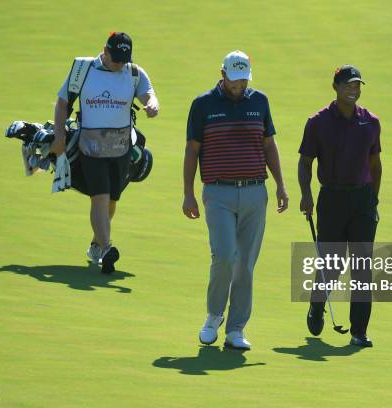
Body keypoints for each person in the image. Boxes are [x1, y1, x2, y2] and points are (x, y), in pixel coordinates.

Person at [183, 50, 288, 350]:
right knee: (225, 256)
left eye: (244, 79)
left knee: (245, 264)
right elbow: (192, 150)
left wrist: (281, 185)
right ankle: (213, 316)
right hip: (218, 192)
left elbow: (269, 144)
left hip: (256, 191)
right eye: (234, 79)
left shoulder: (259, 102)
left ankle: (236, 329)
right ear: (222, 74)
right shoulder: (203, 105)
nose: (239, 85)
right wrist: (188, 193)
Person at [50, 32, 159, 273]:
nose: (119, 63)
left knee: (111, 200)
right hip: (91, 147)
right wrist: (58, 137)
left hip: (121, 148)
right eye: (115, 58)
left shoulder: (133, 72)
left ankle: (96, 244)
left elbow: (148, 93)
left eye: (123, 58)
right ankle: (107, 248)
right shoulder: (83, 69)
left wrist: (152, 104)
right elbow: (62, 103)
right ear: (105, 50)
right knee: (99, 197)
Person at [298, 64, 382, 347]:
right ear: (335, 87)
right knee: (331, 265)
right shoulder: (318, 122)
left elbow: (375, 164)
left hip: (362, 201)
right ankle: (317, 304)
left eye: (357, 85)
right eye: (348, 85)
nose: (353, 89)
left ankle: (359, 331)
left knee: (362, 268)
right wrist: (306, 195)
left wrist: (374, 200)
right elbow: (306, 162)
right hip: (331, 199)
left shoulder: (370, 122)